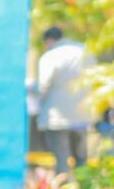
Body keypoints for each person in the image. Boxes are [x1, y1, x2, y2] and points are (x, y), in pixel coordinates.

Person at [37, 26, 95, 174]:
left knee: (61, 159)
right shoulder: (84, 51)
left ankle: (63, 187)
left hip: (56, 116)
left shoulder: (50, 56)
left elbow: (43, 86)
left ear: (49, 40)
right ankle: (84, 186)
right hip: (81, 114)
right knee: (81, 159)